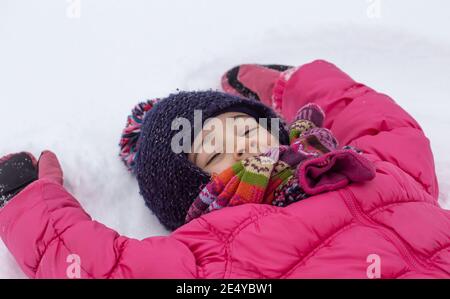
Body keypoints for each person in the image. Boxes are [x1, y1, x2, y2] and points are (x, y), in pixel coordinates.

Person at [1, 60, 448, 278]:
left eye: (242, 125)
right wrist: (28, 204)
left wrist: (293, 83)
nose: (241, 142)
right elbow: (109, 270)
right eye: (214, 155)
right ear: (195, 197)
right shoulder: (214, 248)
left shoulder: (365, 165)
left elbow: (389, 127)